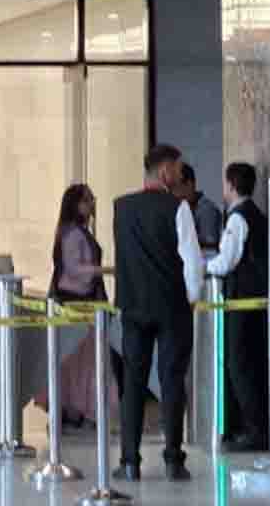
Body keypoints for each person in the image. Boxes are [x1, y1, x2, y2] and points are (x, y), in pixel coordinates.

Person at [113, 143, 203, 483]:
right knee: (171, 381)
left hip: (133, 306)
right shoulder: (177, 207)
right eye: (178, 169)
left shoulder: (121, 208)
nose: (181, 175)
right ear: (165, 171)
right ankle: (172, 460)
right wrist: (193, 297)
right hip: (172, 308)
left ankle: (129, 461)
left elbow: (124, 257)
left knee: (133, 384)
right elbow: (191, 259)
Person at [37, 184, 118, 427]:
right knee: (81, 360)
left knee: (80, 361)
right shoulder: (73, 234)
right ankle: (75, 406)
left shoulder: (78, 231)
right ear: (76, 204)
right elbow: (74, 269)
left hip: (81, 301)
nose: (92, 204)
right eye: (87, 200)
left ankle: (74, 406)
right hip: (77, 302)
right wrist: (105, 270)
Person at [207, 162, 269, 452]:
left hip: (241, 302)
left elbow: (226, 261)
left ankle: (253, 430)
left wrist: (200, 267)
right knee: (253, 364)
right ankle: (256, 427)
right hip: (257, 303)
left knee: (239, 364)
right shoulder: (259, 216)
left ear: (231, 185)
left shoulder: (237, 220)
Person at [182, 163, 223, 254]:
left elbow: (210, 246)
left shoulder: (207, 210)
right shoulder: (184, 208)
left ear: (189, 184)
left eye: (175, 187)